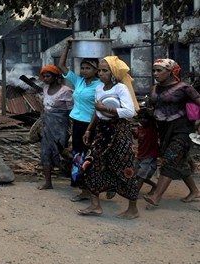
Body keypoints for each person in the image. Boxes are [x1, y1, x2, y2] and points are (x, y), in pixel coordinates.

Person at [77, 56, 140, 219]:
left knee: (125, 167)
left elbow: (129, 112)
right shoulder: (99, 88)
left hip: (119, 132)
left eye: (105, 70)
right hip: (101, 131)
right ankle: (95, 205)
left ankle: (133, 209)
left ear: (113, 73)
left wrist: (105, 108)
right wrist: (89, 130)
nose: (100, 73)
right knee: (90, 164)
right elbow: (97, 111)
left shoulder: (120, 89)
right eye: (100, 70)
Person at [144, 58, 200, 207]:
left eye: (159, 70)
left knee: (170, 159)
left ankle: (156, 196)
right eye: (154, 70)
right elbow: (153, 106)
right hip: (163, 130)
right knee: (178, 162)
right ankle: (195, 191)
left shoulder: (184, 88)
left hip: (182, 130)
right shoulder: (154, 89)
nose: (155, 73)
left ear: (170, 71)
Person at [58, 39, 104, 201]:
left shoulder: (100, 86)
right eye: (82, 68)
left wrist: (89, 129)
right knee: (78, 156)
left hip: (90, 125)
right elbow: (62, 67)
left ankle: (90, 191)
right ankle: (84, 190)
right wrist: (67, 47)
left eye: (88, 68)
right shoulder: (79, 81)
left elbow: (98, 109)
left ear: (96, 70)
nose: (84, 71)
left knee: (87, 156)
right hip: (77, 124)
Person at [36, 65, 74, 190]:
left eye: (48, 76)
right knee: (45, 153)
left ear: (56, 76)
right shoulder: (45, 89)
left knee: (64, 152)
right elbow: (44, 108)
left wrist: (72, 130)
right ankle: (48, 182)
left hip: (60, 127)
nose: (46, 79)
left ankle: (75, 179)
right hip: (47, 127)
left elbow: (71, 112)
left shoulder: (66, 91)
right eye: (44, 76)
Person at [132, 108, 159, 195]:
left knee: (141, 176)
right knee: (138, 175)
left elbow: (153, 117)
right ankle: (155, 186)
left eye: (145, 118)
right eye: (141, 118)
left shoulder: (152, 128)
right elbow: (136, 136)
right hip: (141, 155)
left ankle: (134, 193)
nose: (143, 120)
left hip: (149, 156)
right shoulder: (139, 129)